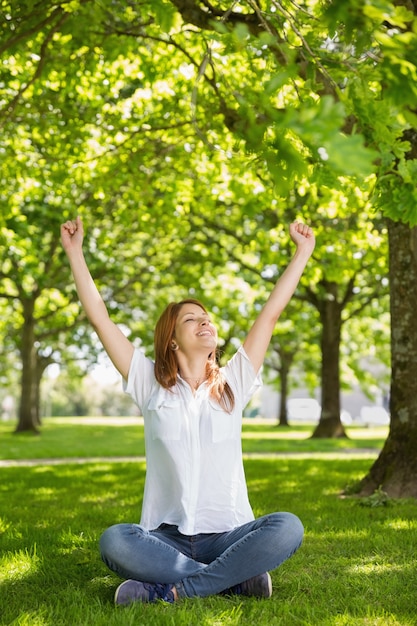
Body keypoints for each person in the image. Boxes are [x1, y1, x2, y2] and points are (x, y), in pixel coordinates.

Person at [60, 215, 315, 606]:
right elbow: (100, 318)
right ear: (173, 341)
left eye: (206, 317)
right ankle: (234, 579)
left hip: (229, 535)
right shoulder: (148, 383)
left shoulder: (235, 382)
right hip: (164, 539)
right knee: (115, 540)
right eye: (191, 319)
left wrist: (302, 254)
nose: (204, 322)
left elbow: (270, 315)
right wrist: (75, 254)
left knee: (287, 526)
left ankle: (172, 589)